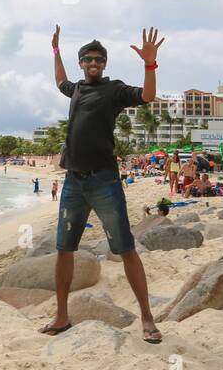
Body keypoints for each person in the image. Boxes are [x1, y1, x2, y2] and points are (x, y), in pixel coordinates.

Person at [41, 26, 164, 344]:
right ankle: (62, 316)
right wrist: (55, 51)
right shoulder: (77, 89)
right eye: (88, 59)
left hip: (104, 181)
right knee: (63, 249)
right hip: (73, 182)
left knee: (126, 249)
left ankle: (148, 319)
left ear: (104, 64)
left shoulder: (114, 90)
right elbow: (59, 82)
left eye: (99, 59)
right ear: (81, 62)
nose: (94, 62)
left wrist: (150, 64)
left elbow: (147, 96)